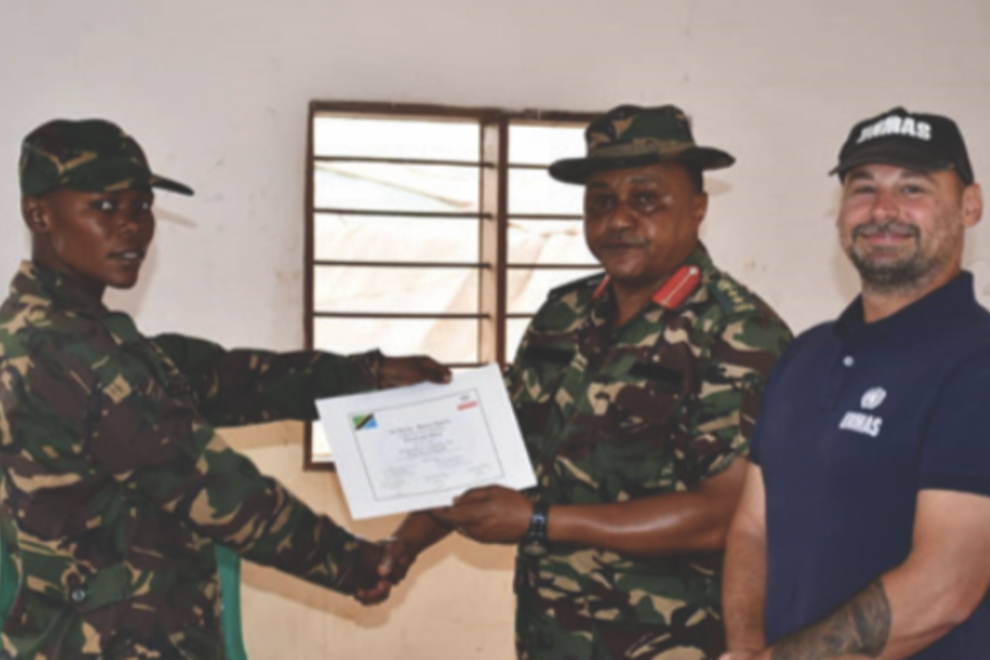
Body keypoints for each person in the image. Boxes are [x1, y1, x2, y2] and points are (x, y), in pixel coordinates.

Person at [0, 118, 451, 659]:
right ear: (39, 214)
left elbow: (226, 378)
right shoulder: (66, 353)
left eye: (142, 205)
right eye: (104, 205)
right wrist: (352, 563)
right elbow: (216, 487)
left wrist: (363, 376)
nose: (131, 225)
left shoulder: (69, 333)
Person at [376, 105, 792, 659]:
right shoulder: (562, 314)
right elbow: (490, 457)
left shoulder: (740, 331)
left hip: (673, 641)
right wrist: (403, 544)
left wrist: (539, 521)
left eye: (646, 198)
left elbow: (726, 514)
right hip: (551, 637)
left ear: (697, 208)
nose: (618, 220)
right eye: (601, 201)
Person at [721, 107, 990, 660]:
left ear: (970, 205)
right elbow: (752, 527)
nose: (883, 210)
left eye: (912, 188)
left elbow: (945, 587)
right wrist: (746, 647)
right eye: (863, 189)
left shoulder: (977, 362)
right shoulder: (805, 354)